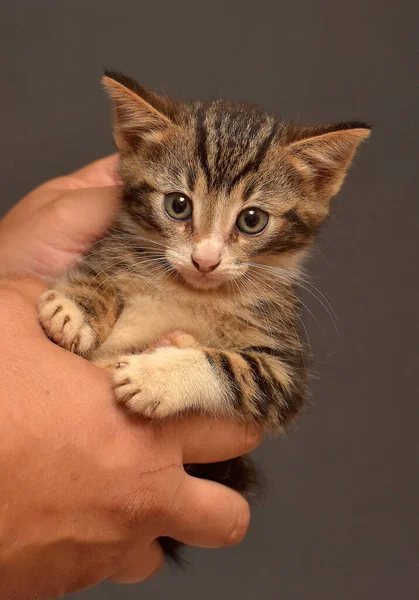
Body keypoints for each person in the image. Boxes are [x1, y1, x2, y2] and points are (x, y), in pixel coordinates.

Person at [0, 156, 261, 600]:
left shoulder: (263, 299)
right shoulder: (129, 252)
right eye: (179, 206)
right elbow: (101, 278)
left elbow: (278, 385)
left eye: (250, 220)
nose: (206, 255)